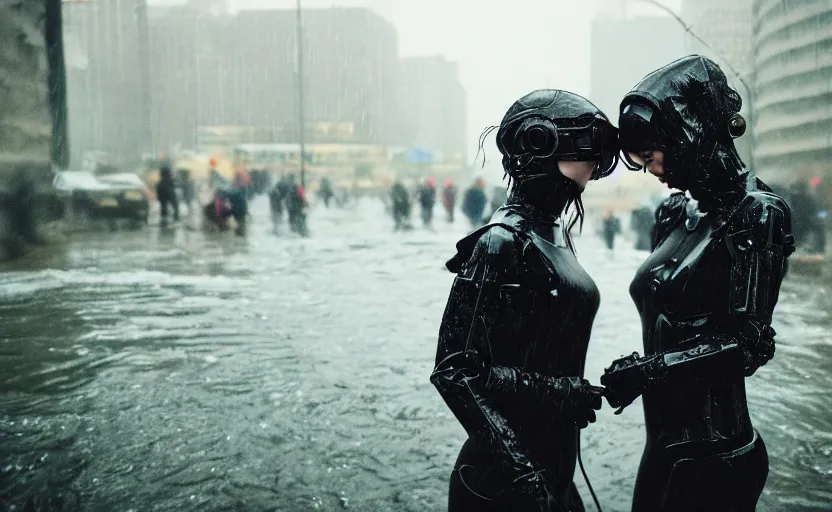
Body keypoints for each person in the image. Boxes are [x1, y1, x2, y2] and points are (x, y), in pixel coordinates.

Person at [602, 55, 795, 512]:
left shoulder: (758, 214)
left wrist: (649, 371)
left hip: (717, 455)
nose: (652, 168)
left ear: (687, 132)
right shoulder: (673, 213)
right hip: (663, 446)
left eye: (653, 155)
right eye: (642, 160)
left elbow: (749, 345)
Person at [431, 89, 621, 511]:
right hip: (503, 482)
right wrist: (522, 472)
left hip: (552, 472)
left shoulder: (553, 234)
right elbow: (455, 369)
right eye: (583, 150)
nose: (591, 167)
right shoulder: (500, 242)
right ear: (538, 144)